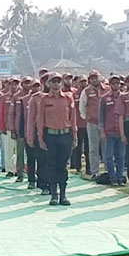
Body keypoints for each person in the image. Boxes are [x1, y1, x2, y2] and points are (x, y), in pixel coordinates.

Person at [34, 72, 76, 205]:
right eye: (53, 81)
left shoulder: (68, 98)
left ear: (62, 83)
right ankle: (54, 194)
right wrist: (40, 138)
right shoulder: (44, 100)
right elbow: (40, 120)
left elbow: (72, 119)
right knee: (51, 165)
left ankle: (63, 194)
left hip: (65, 135)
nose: (56, 84)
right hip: (50, 136)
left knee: (62, 166)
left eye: (58, 81)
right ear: (48, 84)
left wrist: (74, 136)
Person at [79, 70, 105, 180]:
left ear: (100, 78)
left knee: (106, 148)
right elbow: (82, 107)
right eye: (92, 78)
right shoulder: (86, 91)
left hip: (106, 124)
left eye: (96, 77)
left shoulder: (107, 89)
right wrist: (88, 118)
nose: (95, 80)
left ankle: (108, 171)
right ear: (90, 80)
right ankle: (95, 172)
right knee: (93, 148)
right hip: (92, 123)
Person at [98, 75, 125, 185]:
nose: (116, 85)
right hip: (109, 132)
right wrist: (102, 131)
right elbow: (101, 116)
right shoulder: (104, 98)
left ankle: (120, 177)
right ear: (110, 84)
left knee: (121, 157)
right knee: (109, 157)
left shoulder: (124, 97)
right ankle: (112, 178)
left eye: (118, 83)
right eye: (113, 83)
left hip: (121, 132)